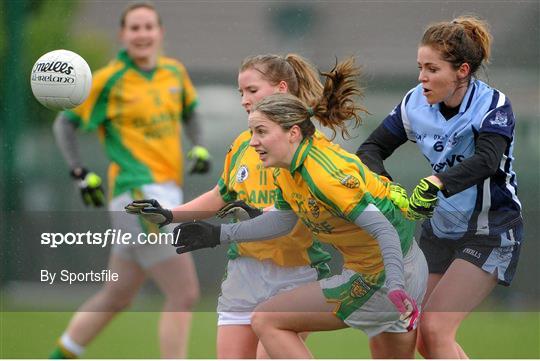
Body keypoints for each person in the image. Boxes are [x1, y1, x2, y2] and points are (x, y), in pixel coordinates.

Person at [169, 58, 429, 359]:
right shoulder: (285, 167)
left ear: (293, 133)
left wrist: (396, 286)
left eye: (262, 132)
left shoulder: (323, 175)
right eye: (253, 133)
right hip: (396, 266)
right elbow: (281, 221)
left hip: (387, 275)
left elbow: (384, 229)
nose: (253, 143)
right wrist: (217, 235)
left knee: (267, 320)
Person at [126, 53, 332, 359]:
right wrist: (170, 214)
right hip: (245, 273)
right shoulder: (242, 145)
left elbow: (303, 214)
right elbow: (220, 195)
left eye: (252, 90)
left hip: (296, 273)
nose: (244, 99)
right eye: (241, 93)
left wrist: (258, 217)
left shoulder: (308, 147)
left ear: (281, 88)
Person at [355, 15, 523, 358]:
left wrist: (436, 182)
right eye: (420, 67)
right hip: (441, 229)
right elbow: (369, 149)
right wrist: (389, 188)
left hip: (490, 230)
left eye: (432, 69)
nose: (422, 77)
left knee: (435, 327)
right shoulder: (414, 103)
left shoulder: (493, 106)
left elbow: (487, 160)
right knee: (415, 329)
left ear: (461, 71)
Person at [49, 2, 208, 358]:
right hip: (139, 197)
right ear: (122, 35)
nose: (142, 34)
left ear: (160, 32)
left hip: (166, 194)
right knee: (184, 294)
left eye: (148, 27)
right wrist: (79, 172)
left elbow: (191, 112)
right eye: (134, 28)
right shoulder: (108, 80)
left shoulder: (174, 72)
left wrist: (198, 147)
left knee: (117, 296)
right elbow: (64, 123)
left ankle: (59, 355)